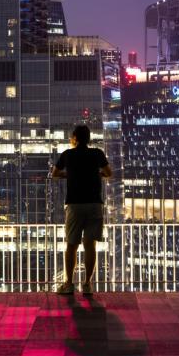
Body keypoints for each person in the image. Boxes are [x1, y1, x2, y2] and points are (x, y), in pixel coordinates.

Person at [51, 124, 113, 295]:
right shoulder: (97, 153)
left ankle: (69, 284)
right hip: (94, 203)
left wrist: (68, 174)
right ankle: (87, 285)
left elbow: (55, 173)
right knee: (90, 245)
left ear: (75, 138)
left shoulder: (68, 154)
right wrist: (97, 174)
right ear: (89, 138)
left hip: (75, 204)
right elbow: (109, 173)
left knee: (72, 245)